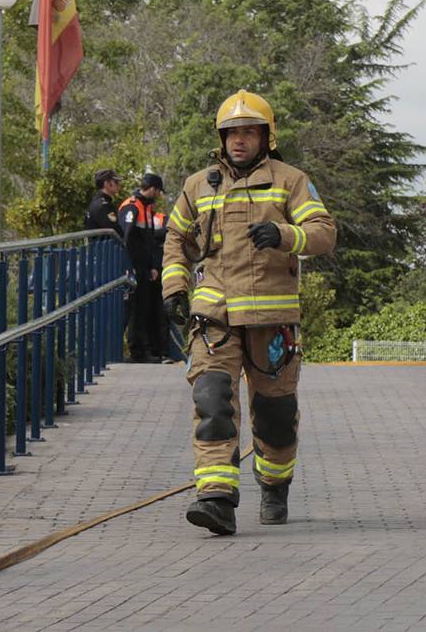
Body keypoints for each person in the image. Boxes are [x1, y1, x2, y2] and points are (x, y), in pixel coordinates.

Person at [162, 90, 336, 535]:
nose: (238, 140)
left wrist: (282, 234)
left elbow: (323, 233)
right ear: (221, 139)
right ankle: (217, 499)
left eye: (247, 132)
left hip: (272, 321)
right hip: (214, 318)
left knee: (275, 419)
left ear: (265, 136)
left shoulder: (290, 180)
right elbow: (176, 241)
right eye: (231, 133)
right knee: (212, 401)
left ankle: (275, 487)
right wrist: (175, 287)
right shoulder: (198, 185)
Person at [118, 172, 166, 363]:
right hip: (133, 267)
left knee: (143, 309)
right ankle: (137, 351)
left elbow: (150, 241)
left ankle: (143, 350)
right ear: (152, 189)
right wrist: (129, 266)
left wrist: (153, 266)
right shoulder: (132, 206)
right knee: (135, 310)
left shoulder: (146, 207)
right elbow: (126, 239)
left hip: (145, 267)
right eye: (158, 191)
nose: (159, 195)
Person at [85, 168, 122, 234]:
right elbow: (116, 231)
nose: (119, 185)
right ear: (106, 184)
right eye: (116, 182)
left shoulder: (96, 201)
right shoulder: (104, 206)